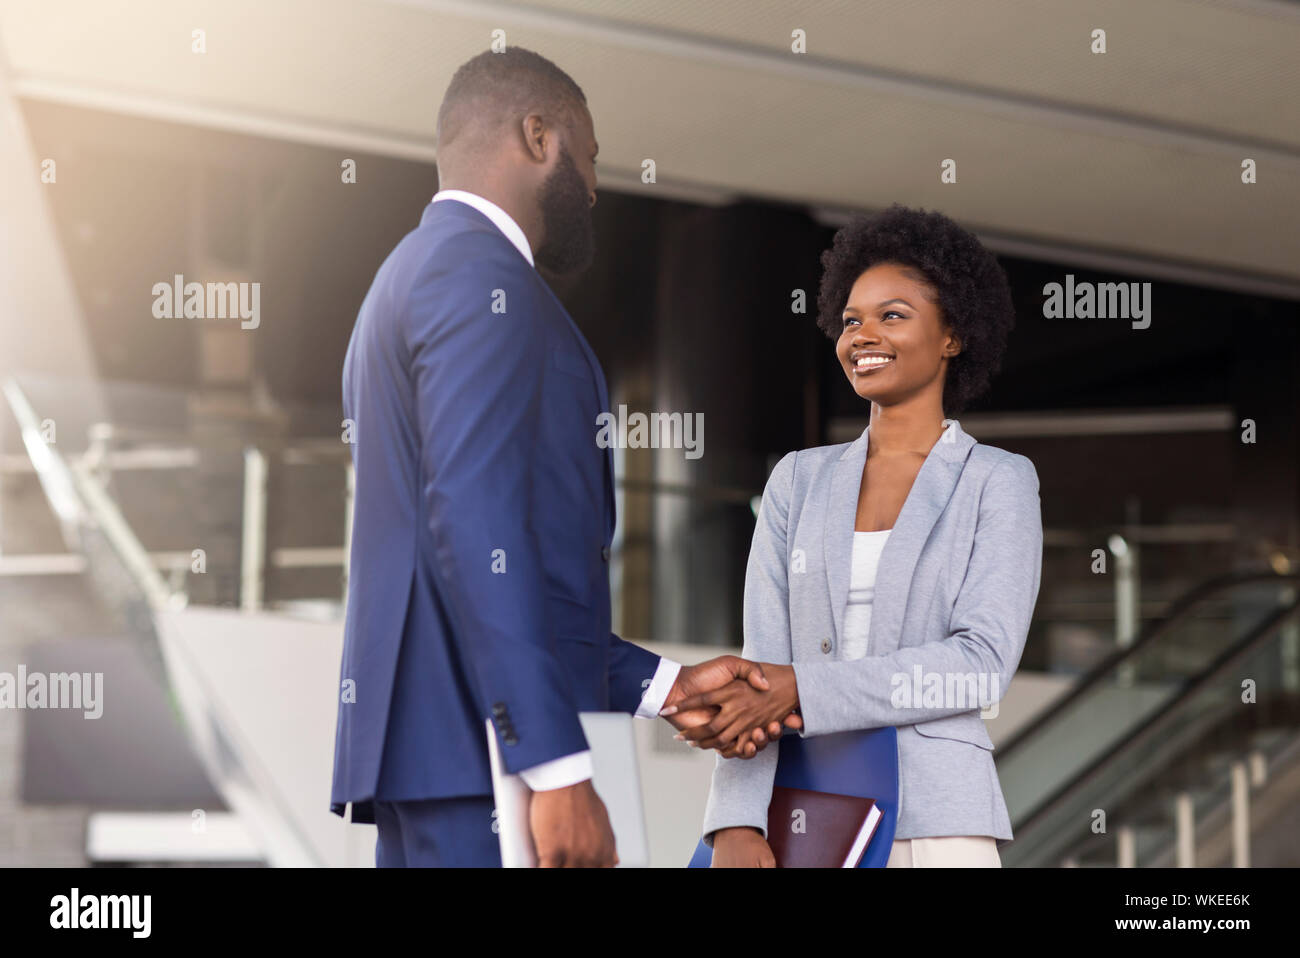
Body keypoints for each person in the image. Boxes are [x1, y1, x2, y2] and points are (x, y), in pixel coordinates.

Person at [328, 46, 796, 868]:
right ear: (538, 135)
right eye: (588, 155)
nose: (590, 185)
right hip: (488, 761)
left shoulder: (407, 275)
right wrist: (553, 767)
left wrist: (667, 688)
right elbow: (474, 528)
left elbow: (473, 564)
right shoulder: (479, 277)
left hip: (442, 757)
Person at [667, 205, 1043, 867]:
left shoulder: (997, 481)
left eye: (892, 315)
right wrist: (733, 821)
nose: (862, 335)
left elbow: (980, 665)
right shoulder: (798, 481)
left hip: (937, 820)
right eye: (850, 320)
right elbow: (764, 665)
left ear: (952, 334)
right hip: (804, 811)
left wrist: (805, 692)